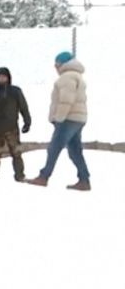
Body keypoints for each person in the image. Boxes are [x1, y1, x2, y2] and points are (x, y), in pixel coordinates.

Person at [28, 52, 91, 190]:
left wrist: (59, 118)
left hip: (68, 118)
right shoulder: (77, 76)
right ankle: (84, 179)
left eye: (57, 63)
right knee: (75, 151)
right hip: (78, 118)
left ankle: (44, 176)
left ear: (63, 63)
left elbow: (66, 100)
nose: (55, 66)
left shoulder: (66, 77)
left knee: (54, 148)